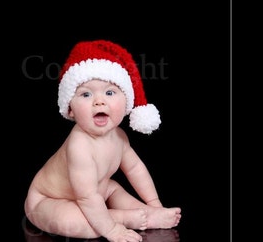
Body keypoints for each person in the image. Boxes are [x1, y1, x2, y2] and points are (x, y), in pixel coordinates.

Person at [24, 40, 182, 242]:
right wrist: (112, 230)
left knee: (113, 188)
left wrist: (154, 203)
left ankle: (148, 213)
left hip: (95, 191)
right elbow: (86, 197)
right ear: (70, 109)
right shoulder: (79, 146)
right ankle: (122, 218)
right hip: (48, 200)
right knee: (76, 223)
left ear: (126, 101)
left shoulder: (119, 137)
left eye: (109, 92)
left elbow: (135, 169)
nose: (99, 101)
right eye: (86, 94)